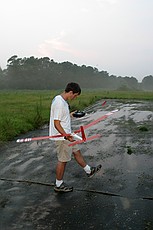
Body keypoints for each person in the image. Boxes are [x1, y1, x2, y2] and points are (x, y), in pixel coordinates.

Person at [49, 82, 101, 193]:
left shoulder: (61, 101)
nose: (75, 97)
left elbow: (61, 118)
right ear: (71, 92)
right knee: (63, 160)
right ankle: (58, 185)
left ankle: (89, 170)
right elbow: (56, 123)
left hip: (67, 135)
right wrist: (66, 136)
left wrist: (71, 115)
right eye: (75, 95)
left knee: (76, 152)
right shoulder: (59, 103)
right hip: (62, 138)